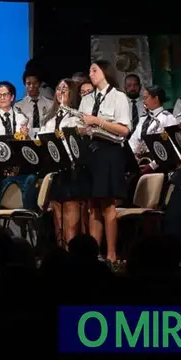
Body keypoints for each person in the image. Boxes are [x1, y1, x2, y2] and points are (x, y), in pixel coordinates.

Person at [78, 60, 132, 262]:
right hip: (91, 152)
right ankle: (93, 254)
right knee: (92, 205)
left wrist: (98, 122)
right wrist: (83, 128)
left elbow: (124, 130)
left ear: (105, 73)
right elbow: (80, 126)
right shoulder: (87, 99)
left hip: (110, 152)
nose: (90, 74)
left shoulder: (119, 97)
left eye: (94, 70)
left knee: (108, 204)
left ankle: (111, 253)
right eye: (89, 70)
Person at [38, 79, 87, 247]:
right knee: (56, 210)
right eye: (58, 88)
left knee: (70, 208)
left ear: (72, 93)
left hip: (72, 168)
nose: (60, 92)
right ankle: (60, 248)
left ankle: (71, 249)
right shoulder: (49, 118)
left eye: (65, 89)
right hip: (54, 169)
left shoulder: (77, 116)